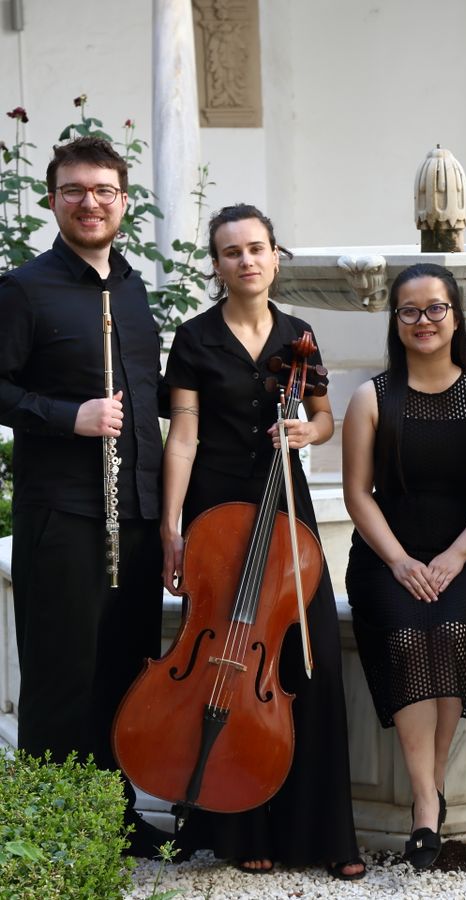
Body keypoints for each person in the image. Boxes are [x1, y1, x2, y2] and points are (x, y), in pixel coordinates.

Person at [160, 204, 363, 879]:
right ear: (217, 265)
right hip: (216, 512)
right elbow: (183, 438)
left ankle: (324, 833)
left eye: (256, 248)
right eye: (231, 252)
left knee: (312, 660)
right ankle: (239, 822)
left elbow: (323, 418)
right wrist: (170, 527)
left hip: (285, 510)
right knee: (224, 662)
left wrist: (308, 432)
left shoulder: (300, 336)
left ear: (276, 256)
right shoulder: (194, 339)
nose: (245, 260)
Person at [0, 136, 168, 856]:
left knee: (125, 673)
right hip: (63, 515)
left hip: (136, 514)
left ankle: (114, 816)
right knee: (60, 680)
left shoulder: (131, 288)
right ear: (52, 200)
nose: (90, 203)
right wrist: (69, 416)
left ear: (123, 201)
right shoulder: (23, 289)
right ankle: (53, 835)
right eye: (74, 190)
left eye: (103, 190)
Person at [342, 263, 466, 870]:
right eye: (409, 311)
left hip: (464, 553)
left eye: (436, 308)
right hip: (387, 555)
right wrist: (401, 561)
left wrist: (457, 556)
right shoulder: (371, 397)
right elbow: (356, 494)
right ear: (396, 321)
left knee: (453, 631)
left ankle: (427, 798)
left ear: (455, 317)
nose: (423, 321)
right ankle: (427, 799)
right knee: (410, 634)